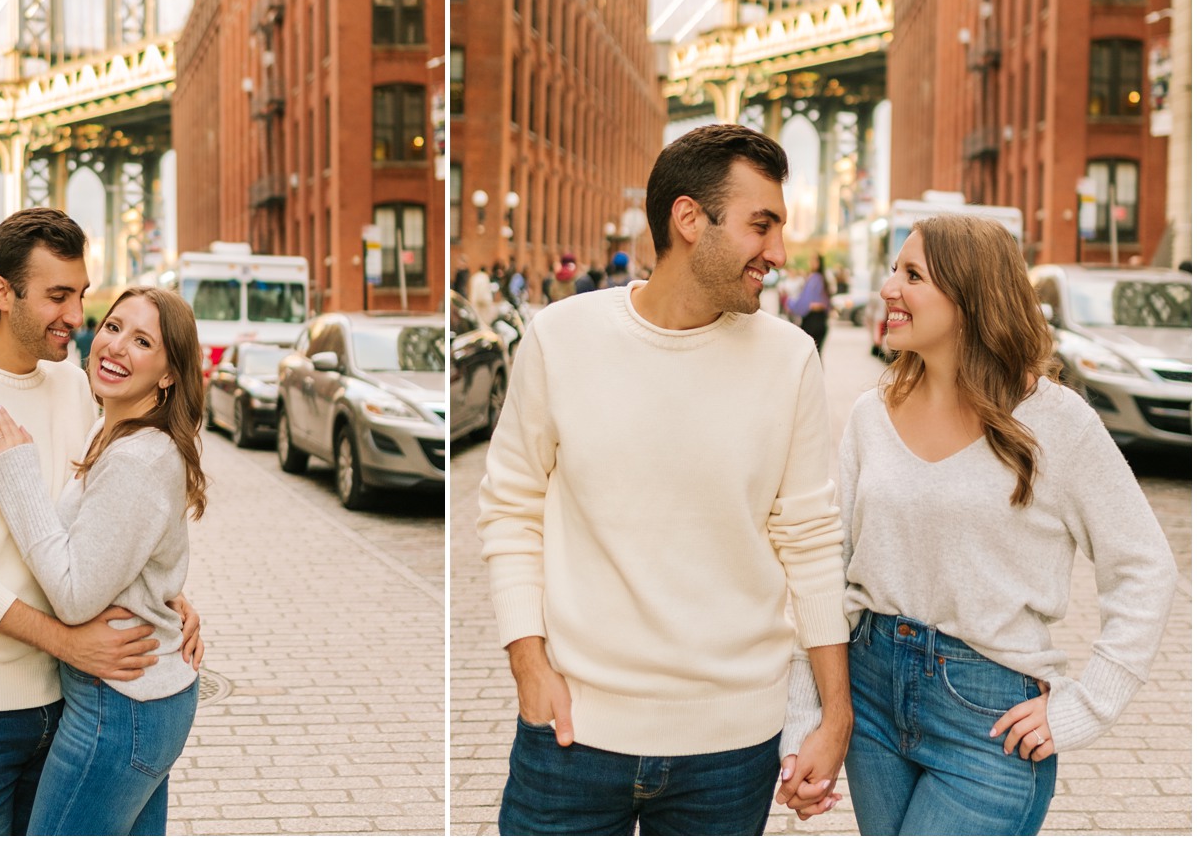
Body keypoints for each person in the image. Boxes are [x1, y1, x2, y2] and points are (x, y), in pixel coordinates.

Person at [478, 124, 851, 835]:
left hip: (732, 750)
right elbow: (510, 508)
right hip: (572, 736)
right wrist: (528, 664)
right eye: (761, 225)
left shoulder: (790, 359)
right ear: (688, 219)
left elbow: (809, 541)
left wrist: (835, 716)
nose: (777, 254)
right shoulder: (560, 338)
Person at [787, 215, 1177, 834]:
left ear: (971, 296)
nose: (889, 288)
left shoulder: (1055, 422)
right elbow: (830, 571)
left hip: (988, 719)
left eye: (912, 274)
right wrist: (807, 717)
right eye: (894, 270)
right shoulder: (870, 415)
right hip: (870, 698)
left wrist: (1087, 705)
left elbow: (1145, 567)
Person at [0, 208, 201, 836]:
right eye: (57, 296)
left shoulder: (71, 385)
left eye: (81, 295)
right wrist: (64, 640)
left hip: (61, 701)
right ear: (2, 293)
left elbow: (96, 521)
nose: (76, 317)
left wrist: (163, 595)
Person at [0, 285, 206, 834]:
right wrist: (161, 595)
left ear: (169, 373)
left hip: (119, 707)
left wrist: (16, 473)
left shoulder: (137, 458)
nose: (117, 346)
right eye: (112, 327)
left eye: (143, 340)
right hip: (141, 701)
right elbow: (125, 550)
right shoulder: (116, 429)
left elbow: (77, 597)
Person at [794, 254, 832, 355]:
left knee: (810, 357)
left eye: (814, 261)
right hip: (820, 322)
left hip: (812, 322)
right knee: (816, 357)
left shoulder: (815, 279)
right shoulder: (822, 279)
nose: (811, 263)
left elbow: (805, 303)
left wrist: (790, 303)